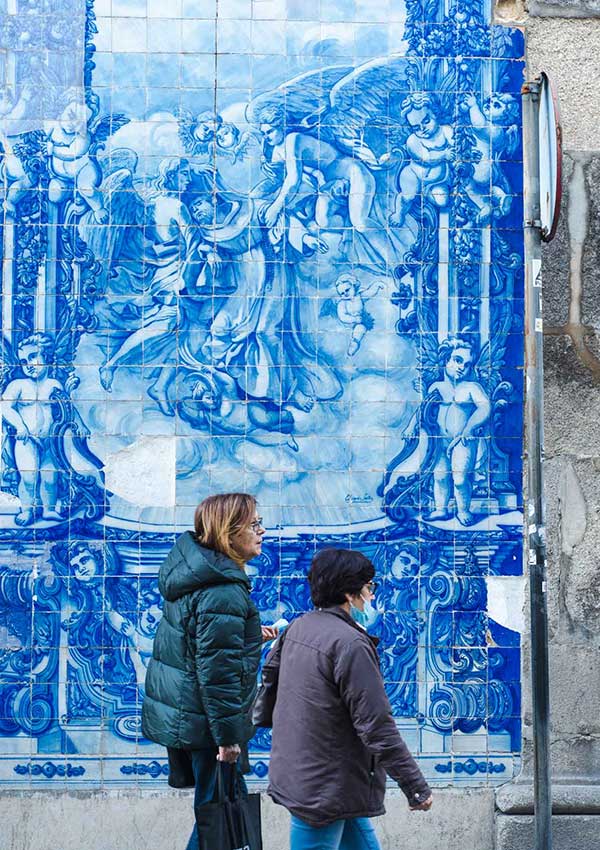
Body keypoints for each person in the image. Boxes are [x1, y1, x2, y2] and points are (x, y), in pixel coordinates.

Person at [268, 548, 433, 850]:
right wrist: (415, 786)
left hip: (314, 774)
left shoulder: (298, 628)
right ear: (349, 594)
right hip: (324, 786)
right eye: (369, 588)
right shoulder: (350, 644)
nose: (371, 596)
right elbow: (376, 724)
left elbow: (271, 693)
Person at [141, 493, 277, 850]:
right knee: (218, 816)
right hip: (209, 724)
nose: (263, 531)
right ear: (229, 533)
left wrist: (248, 639)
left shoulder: (198, 578)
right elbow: (216, 673)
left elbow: (200, 650)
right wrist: (228, 737)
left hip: (193, 717)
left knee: (218, 813)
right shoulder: (223, 591)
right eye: (255, 525)